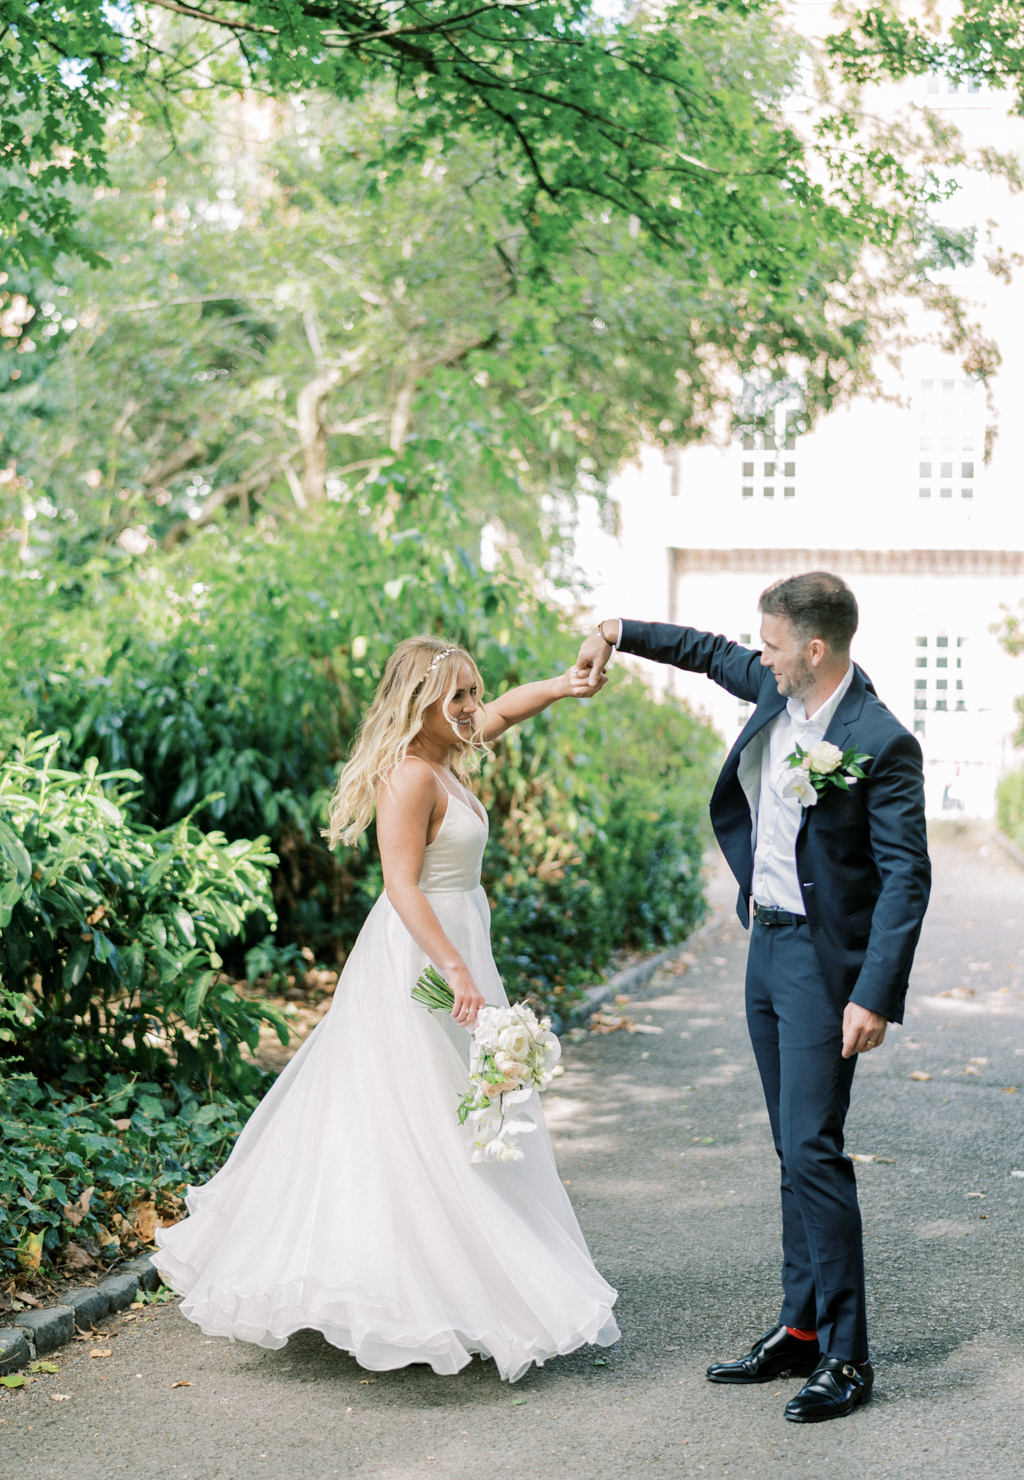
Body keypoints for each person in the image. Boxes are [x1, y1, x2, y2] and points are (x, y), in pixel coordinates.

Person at [152, 637, 620, 1383]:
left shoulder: (448, 753)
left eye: (474, 692)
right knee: (414, 1111)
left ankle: (452, 1278)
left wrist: (564, 685)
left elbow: (504, 712)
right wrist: (455, 965)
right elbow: (401, 883)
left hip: (456, 943)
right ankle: (397, 1290)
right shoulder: (408, 775)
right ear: (418, 703)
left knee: (456, 1109)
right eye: (458, 696)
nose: (474, 707)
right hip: (421, 955)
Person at [576, 573, 930, 1423]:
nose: (757, 657)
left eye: (770, 644)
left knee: (813, 1148)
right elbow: (703, 653)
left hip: (819, 962)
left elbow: (906, 878)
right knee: (788, 1148)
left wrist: (872, 994)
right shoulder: (777, 689)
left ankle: (849, 1358)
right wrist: (617, 629)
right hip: (764, 947)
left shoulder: (878, 741)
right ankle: (800, 1332)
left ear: (815, 649)